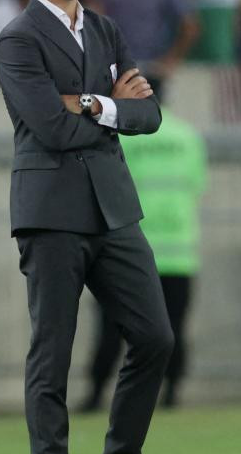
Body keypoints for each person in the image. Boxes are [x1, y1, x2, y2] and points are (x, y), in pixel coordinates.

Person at [0, 0, 172, 454]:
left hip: (114, 209)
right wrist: (110, 109)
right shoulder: (17, 40)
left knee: (154, 336)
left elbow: (150, 116)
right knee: (54, 351)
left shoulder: (106, 31)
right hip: (52, 213)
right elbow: (48, 127)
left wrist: (89, 104)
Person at [82, 87, 208, 411]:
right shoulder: (187, 136)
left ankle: (96, 395)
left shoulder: (123, 134)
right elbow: (196, 184)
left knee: (111, 327)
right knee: (173, 326)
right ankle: (171, 394)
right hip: (179, 250)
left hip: (129, 250)